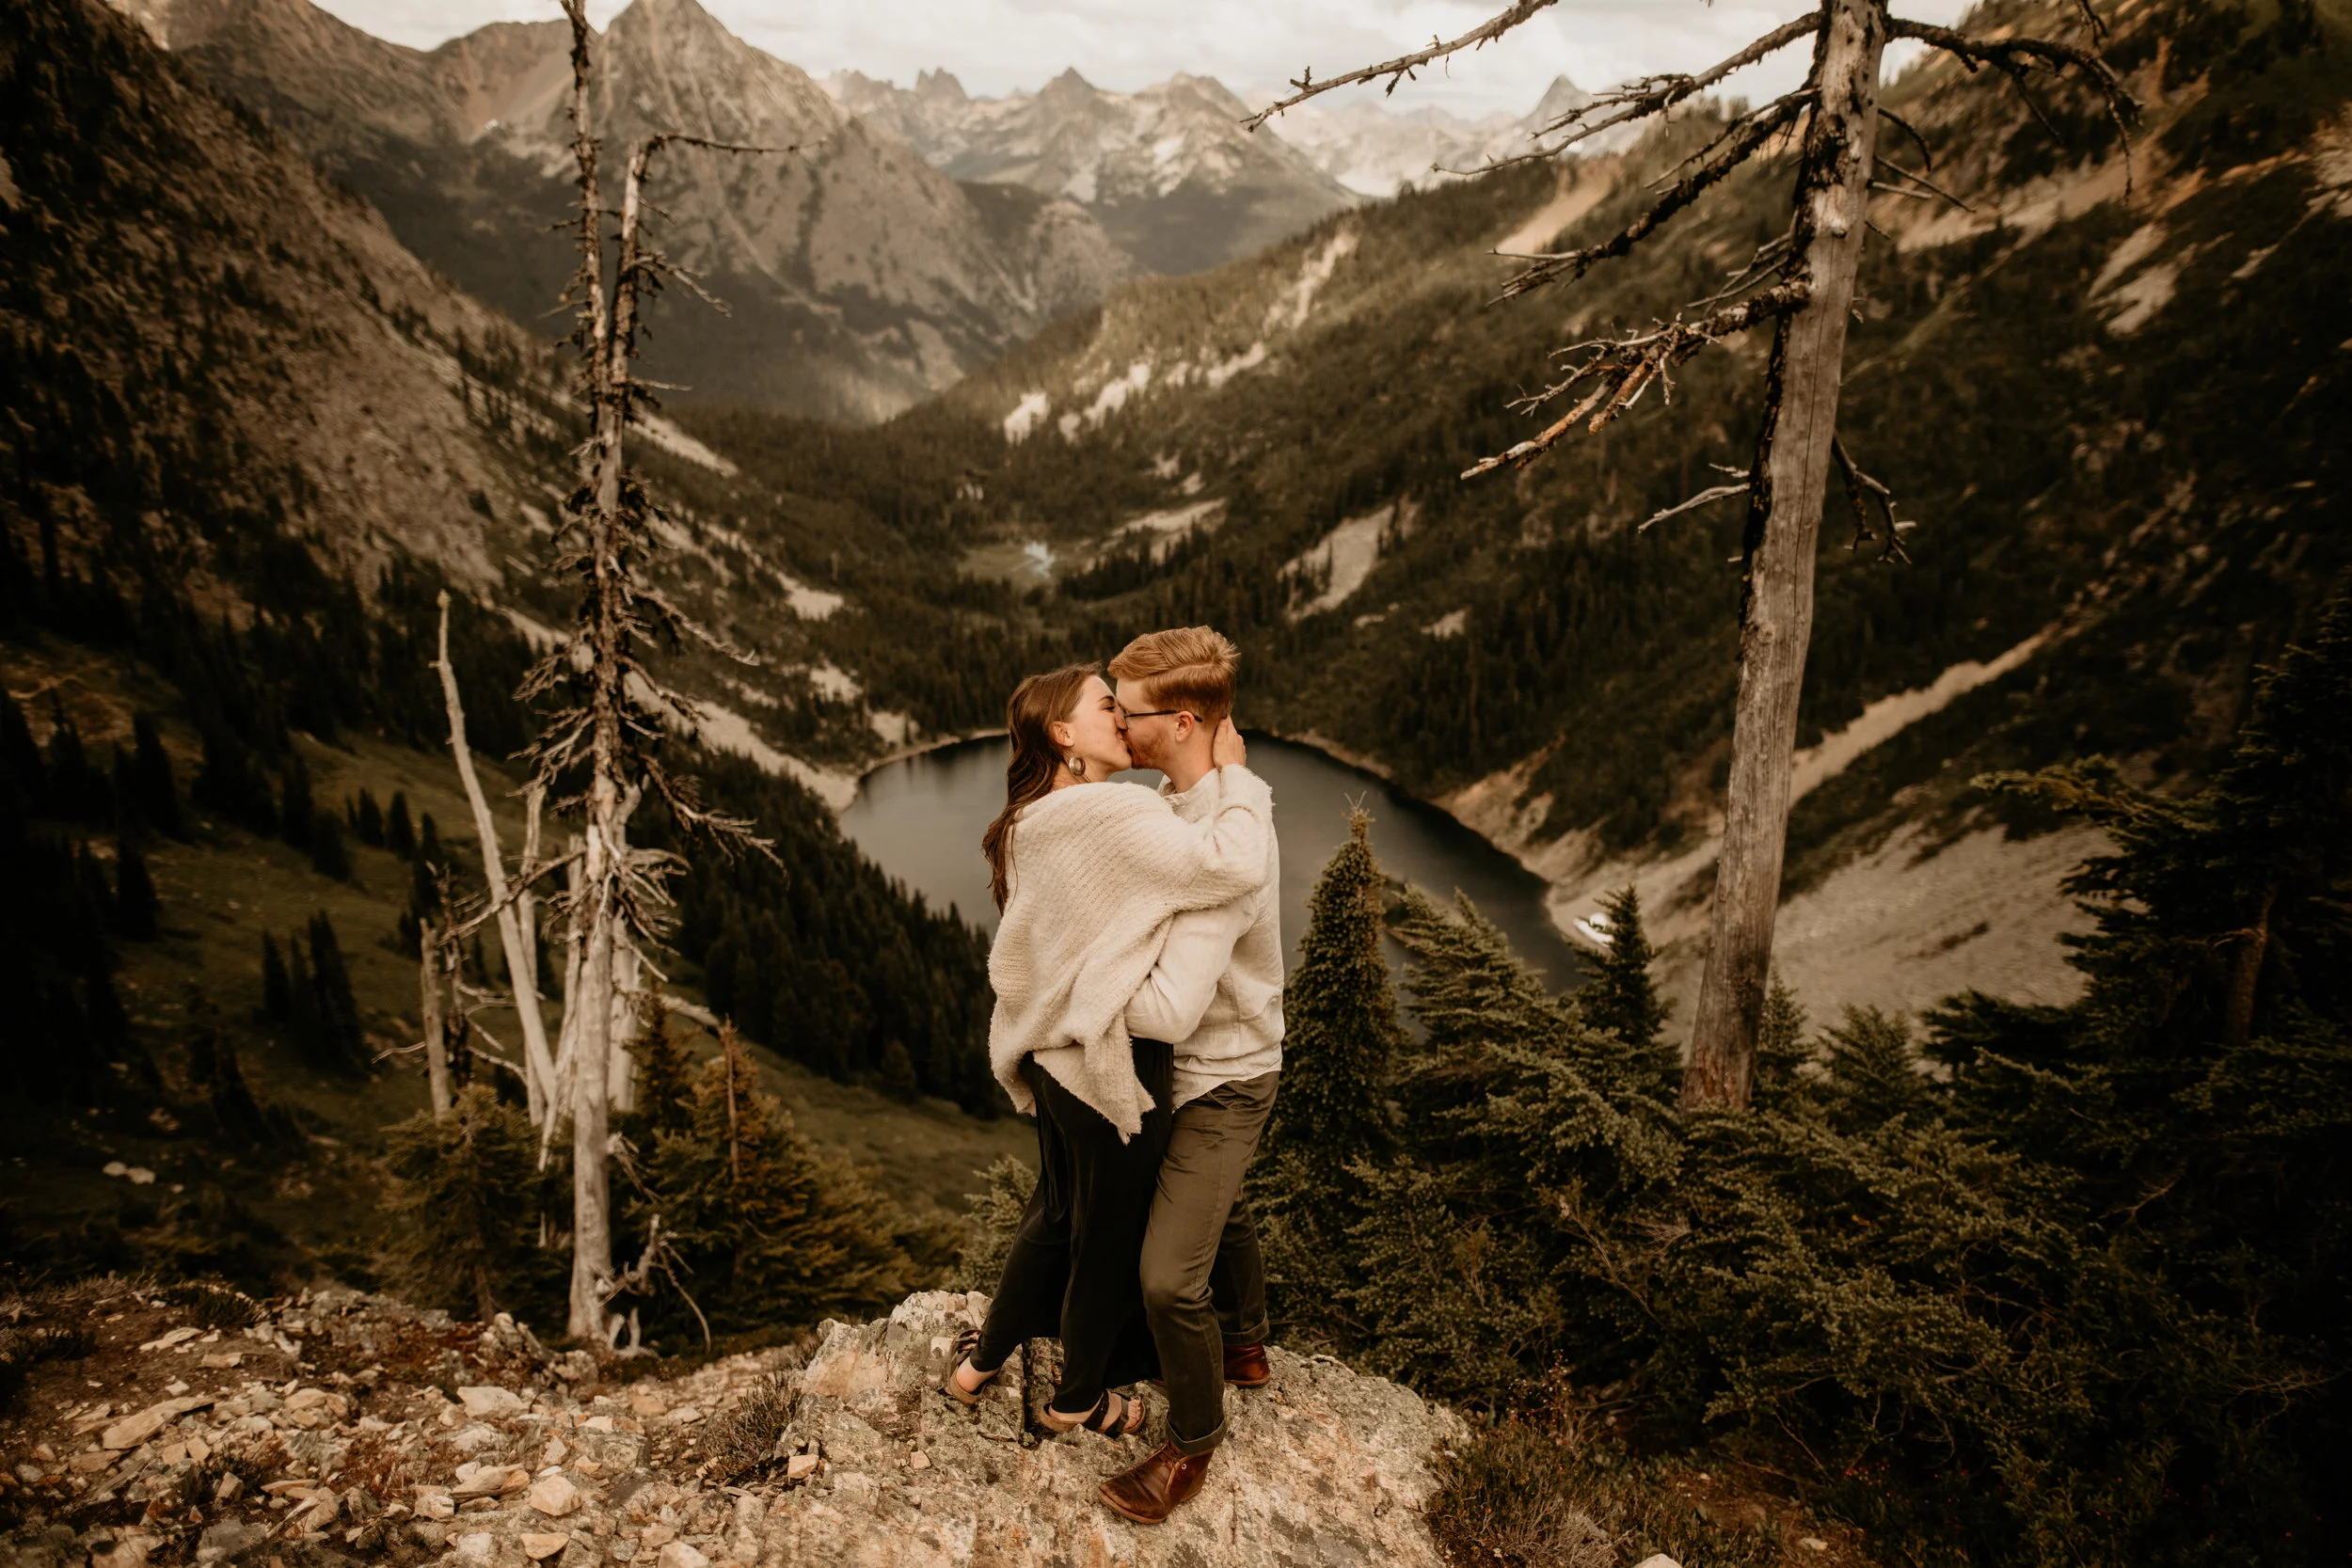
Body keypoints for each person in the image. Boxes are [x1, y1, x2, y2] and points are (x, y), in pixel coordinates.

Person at [942, 661, 1269, 1443]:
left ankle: (978, 1364)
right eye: (1105, 707)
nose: (1121, 719)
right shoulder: (1114, 816)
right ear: (1064, 733)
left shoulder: (1029, 819)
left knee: (1054, 1217)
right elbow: (1231, 865)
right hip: (1108, 1064)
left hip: (1054, 1063)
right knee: (1107, 1245)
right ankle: (1078, 1400)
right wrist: (1236, 780)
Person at [1092, 627, 1286, 1525]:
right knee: (1220, 1204)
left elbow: (1169, 1012)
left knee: (1169, 1276)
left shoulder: (1228, 840)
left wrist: (1073, 996)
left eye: (1123, 711)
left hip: (1225, 1072)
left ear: (1177, 721)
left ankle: (1191, 1442)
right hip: (1189, 1066)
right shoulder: (1193, 802)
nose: (1112, 723)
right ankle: (1245, 1343)